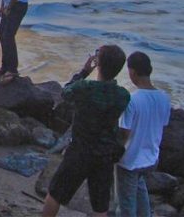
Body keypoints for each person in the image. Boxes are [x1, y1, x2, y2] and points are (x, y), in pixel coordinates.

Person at [42, 45, 131, 217]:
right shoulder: (123, 95)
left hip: (80, 150)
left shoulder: (85, 88)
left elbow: (66, 92)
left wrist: (84, 71)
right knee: (100, 206)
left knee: (55, 194)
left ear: (98, 64)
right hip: (105, 154)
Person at [115, 52, 171, 217]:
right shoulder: (164, 98)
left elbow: (124, 133)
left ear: (132, 72)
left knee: (126, 206)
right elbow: (163, 124)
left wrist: (114, 154)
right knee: (139, 190)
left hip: (130, 160)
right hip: (151, 157)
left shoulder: (132, 100)